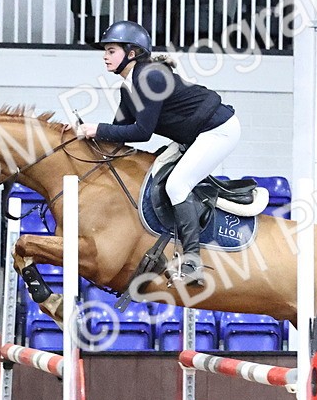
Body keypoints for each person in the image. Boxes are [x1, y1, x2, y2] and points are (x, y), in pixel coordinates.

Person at [76, 21, 241, 284]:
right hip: (194, 135)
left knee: (177, 185)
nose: (105, 57)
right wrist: (83, 138)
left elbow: (142, 132)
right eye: (105, 51)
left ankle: (192, 265)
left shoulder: (151, 76)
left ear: (131, 53)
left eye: (111, 51)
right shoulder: (128, 87)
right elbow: (119, 131)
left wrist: (97, 129)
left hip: (218, 130)